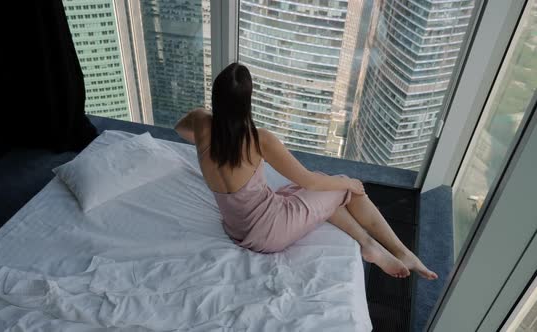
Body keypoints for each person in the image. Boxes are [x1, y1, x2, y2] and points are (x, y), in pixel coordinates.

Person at [175, 62, 437, 280]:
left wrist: (210, 139)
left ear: (215, 97)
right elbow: (309, 180)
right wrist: (347, 184)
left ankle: (368, 244)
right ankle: (401, 251)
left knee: (299, 193)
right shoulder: (258, 140)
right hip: (272, 232)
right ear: (246, 103)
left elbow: (180, 129)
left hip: (238, 230)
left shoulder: (200, 123)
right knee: (340, 185)